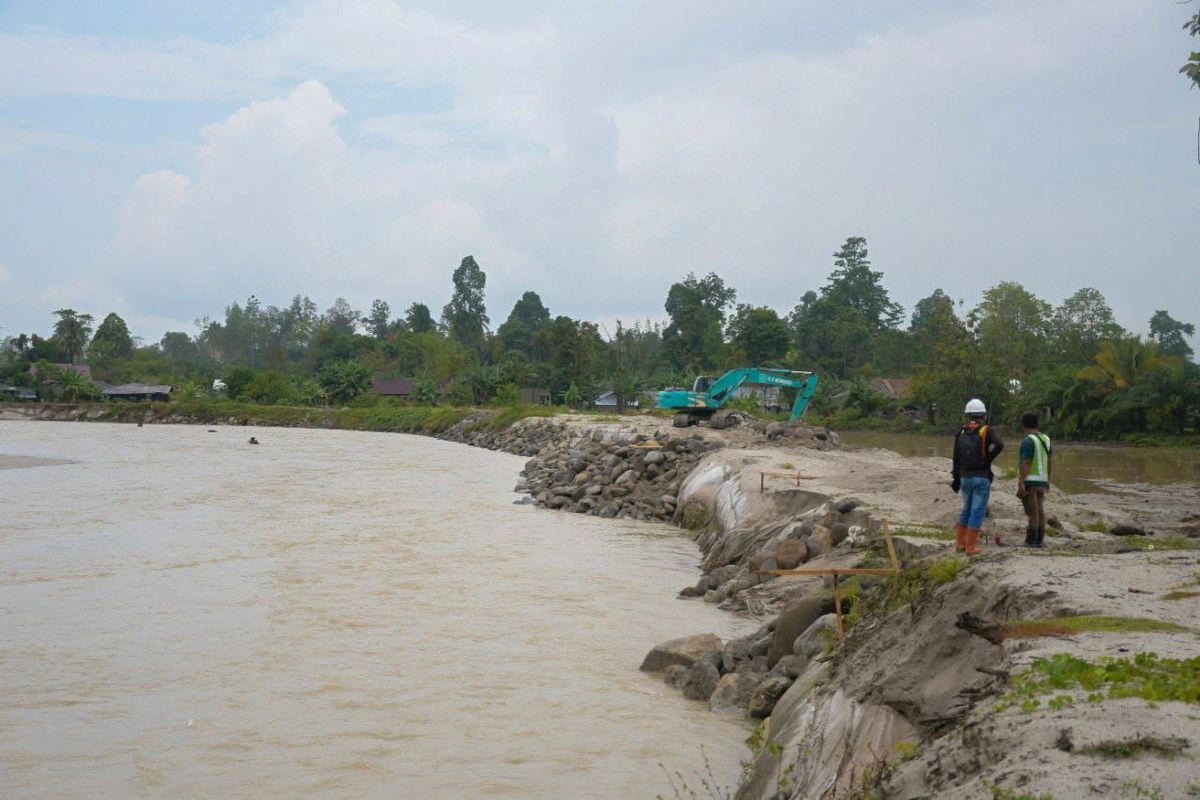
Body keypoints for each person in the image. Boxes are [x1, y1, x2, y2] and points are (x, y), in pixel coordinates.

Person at [951, 398, 1004, 554]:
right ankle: (971, 547)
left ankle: (960, 544)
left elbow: (956, 457)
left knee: (966, 510)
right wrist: (988, 458)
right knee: (977, 511)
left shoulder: (961, 431)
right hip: (981, 477)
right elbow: (1000, 444)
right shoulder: (987, 430)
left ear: (968, 415)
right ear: (983, 415)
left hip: (965, 477)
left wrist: (956, 477)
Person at [1017, 412, 1052, 547]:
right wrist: (1048, 479)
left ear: (1023, 426)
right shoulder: (1046, 439)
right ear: (1037, 424)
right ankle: (1039, 540)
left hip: (1030, 482)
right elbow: (1050, 461)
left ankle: (1031, 541)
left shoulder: (1028, 441)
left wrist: (1021, 481)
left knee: (1032, 512)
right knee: (1040, 511)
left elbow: (1026, 462)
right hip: (1042, 481)